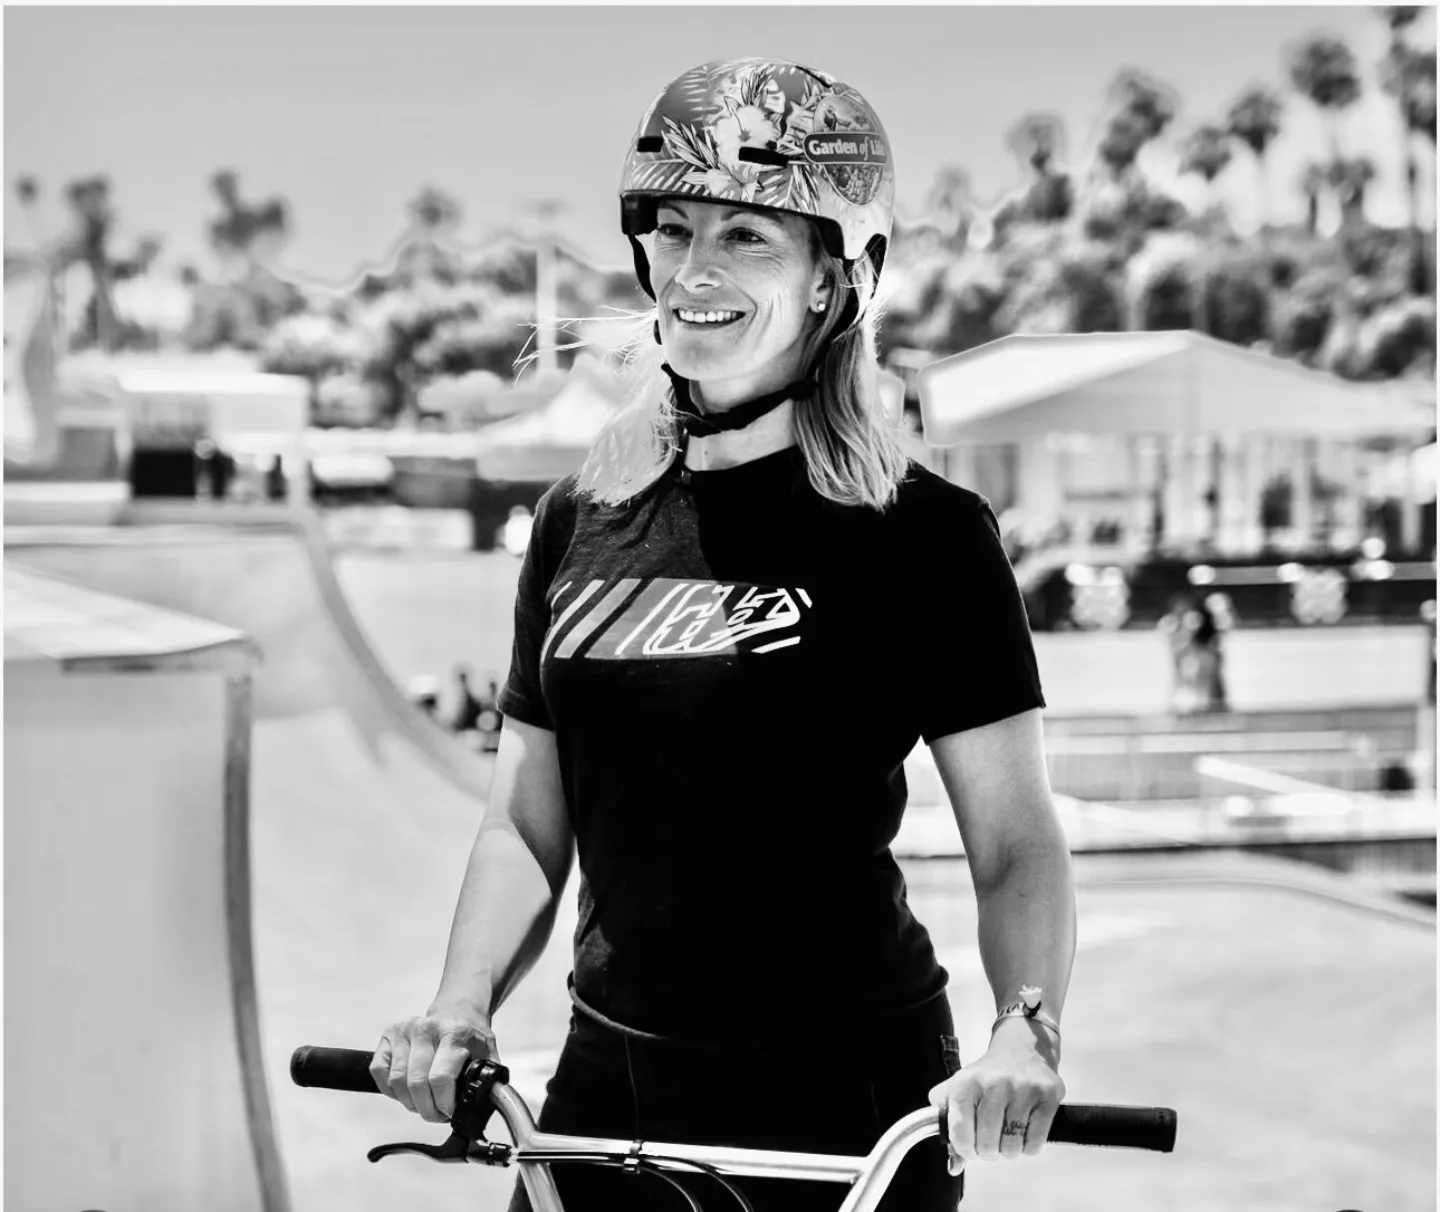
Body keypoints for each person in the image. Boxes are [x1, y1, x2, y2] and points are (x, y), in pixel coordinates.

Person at [371, 58, 1076, 1212]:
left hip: (851, 1117)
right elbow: (524, 823)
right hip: (607, 1104)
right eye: (675, 227)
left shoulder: (924, 539)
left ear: (835, 279)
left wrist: (1025, 1031)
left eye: (749, 235)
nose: (694, 270)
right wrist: (461, 1001)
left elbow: (1015, 844)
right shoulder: (578, 521)